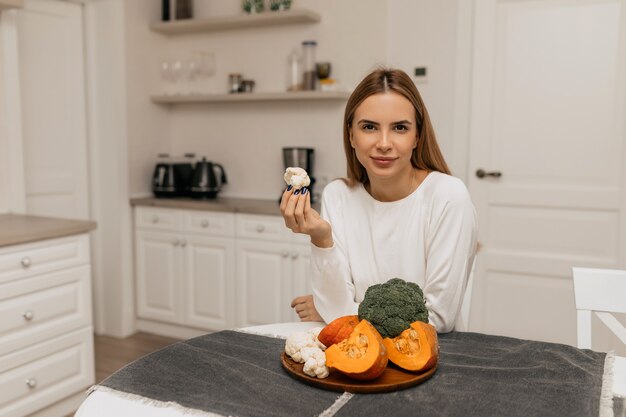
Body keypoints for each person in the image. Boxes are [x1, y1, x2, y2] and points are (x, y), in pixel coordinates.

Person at [280, 67, 477, 333]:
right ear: (351, 135)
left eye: (399, 128)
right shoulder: (338, 196)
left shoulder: (448, 197)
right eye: (370, 127)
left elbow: (438, 320)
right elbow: (335, 307)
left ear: (417, 136)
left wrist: (338, 311)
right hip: (357, 358)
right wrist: (321, 239)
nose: (384, 143)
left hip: (431, 362)